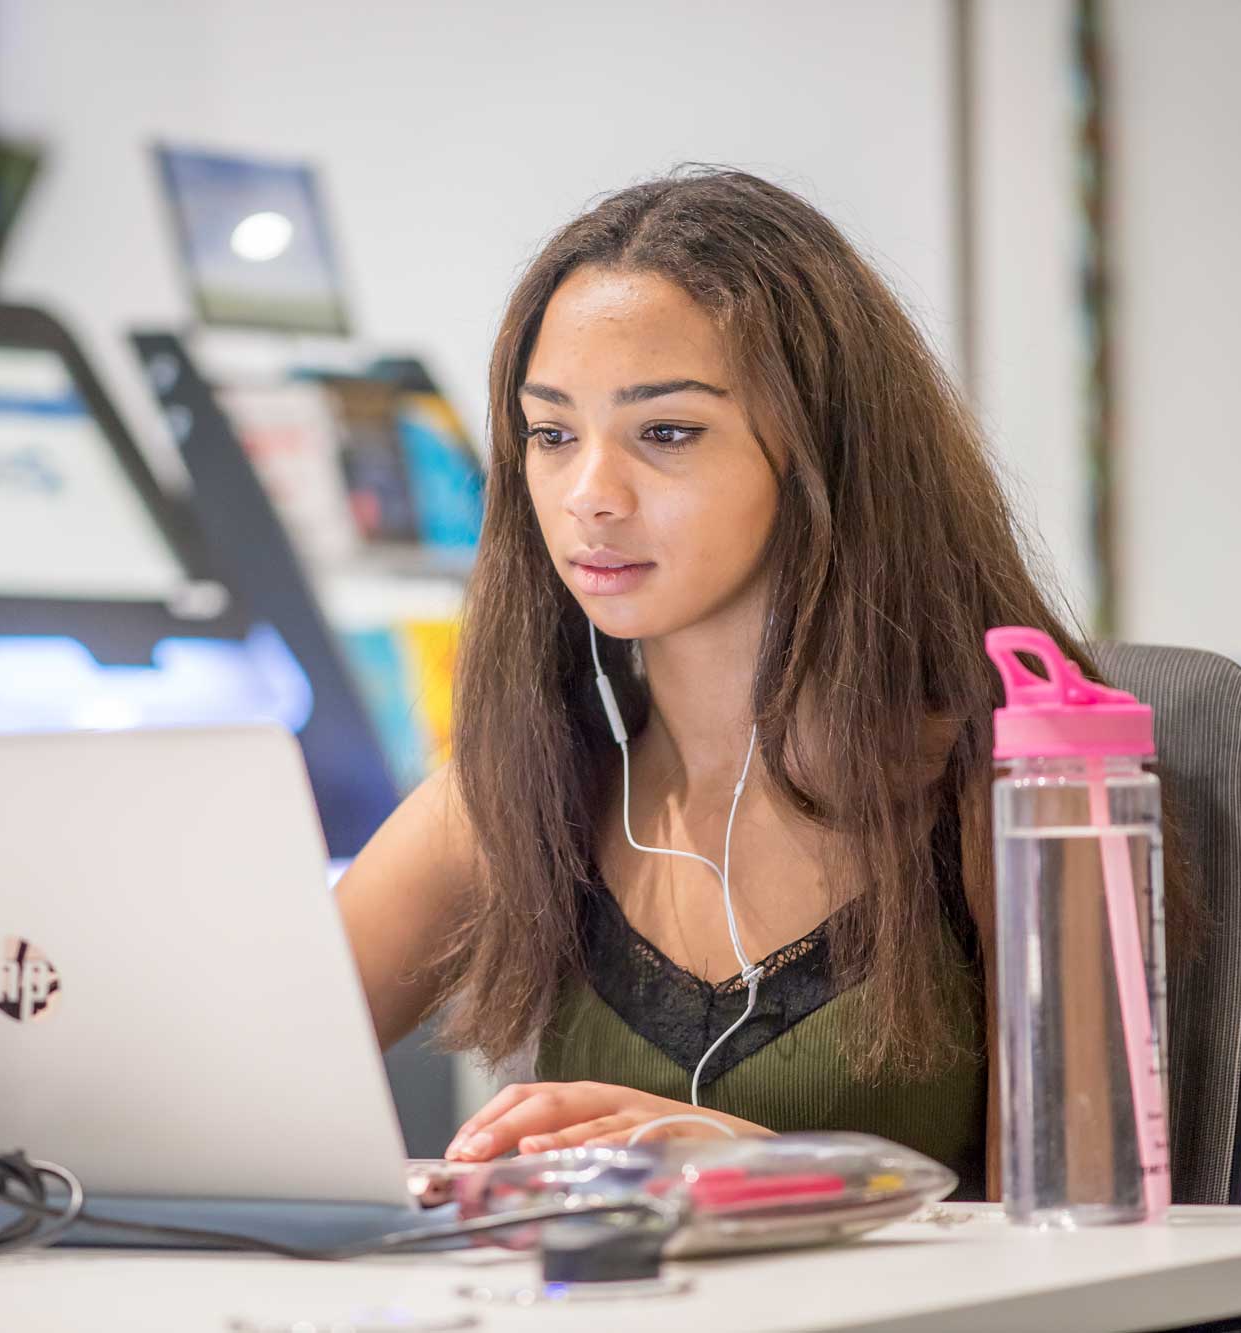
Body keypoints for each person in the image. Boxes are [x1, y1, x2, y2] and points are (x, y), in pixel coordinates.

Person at [336, 168, 1102, 1199]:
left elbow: (1093, 1228)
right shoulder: (514, 793)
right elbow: (222, 1094)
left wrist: (783, 1176)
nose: (588, 496)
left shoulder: (1012, 788)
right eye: (552, 434)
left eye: (664, 432)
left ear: (819, 448)